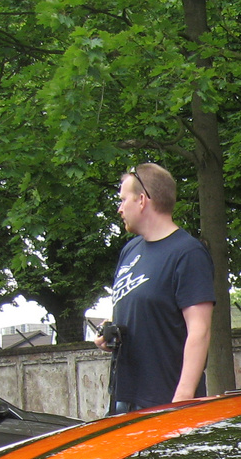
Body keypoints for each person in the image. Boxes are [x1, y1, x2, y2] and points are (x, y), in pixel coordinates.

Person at [97, 163, 214, 414]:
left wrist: (182, 399)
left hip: (165, 401)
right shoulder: (130, 251)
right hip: (123, 399)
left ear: (142, 200)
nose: (119, 208)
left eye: (122, 199)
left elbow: (200, 331)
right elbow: (136, 309)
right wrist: (109, 330)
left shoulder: (188, 253)